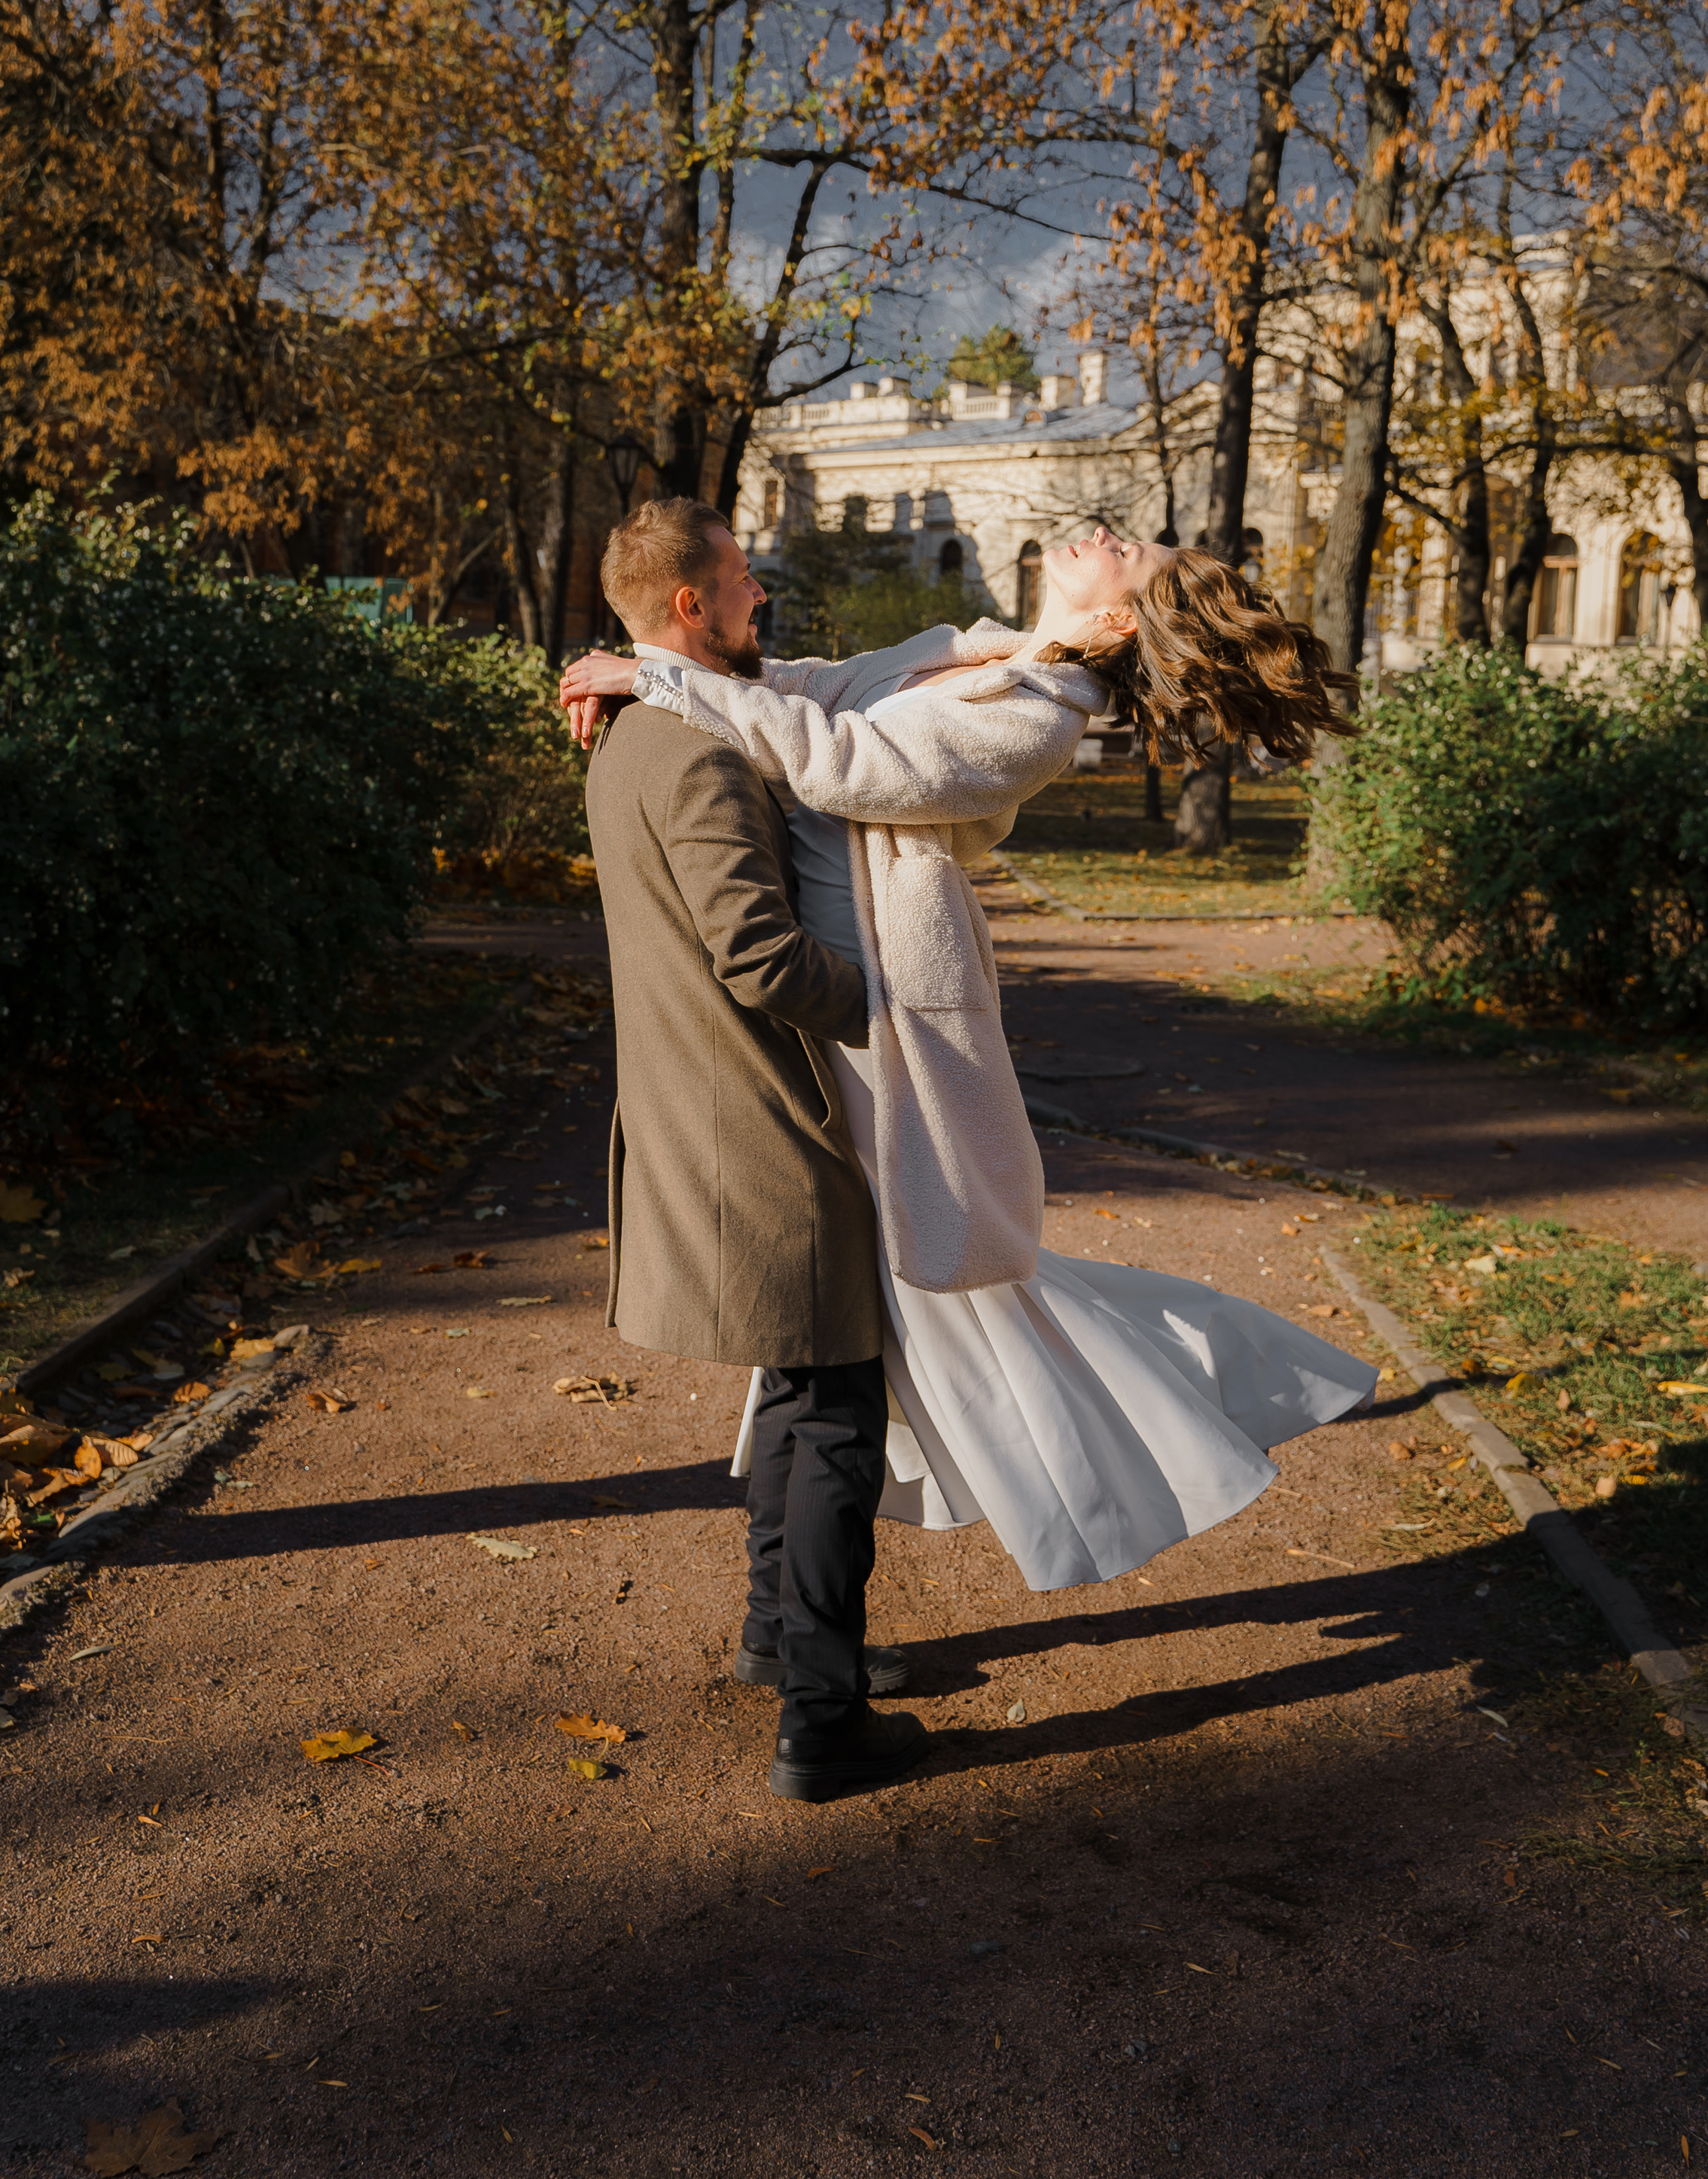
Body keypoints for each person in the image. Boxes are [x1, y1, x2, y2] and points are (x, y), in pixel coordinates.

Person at [562, 510, 1378, 1594]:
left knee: (909, 1328)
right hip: (839, 1030)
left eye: (1125, 547)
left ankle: (1130, 1461)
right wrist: (636, 662)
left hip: (883, 1039)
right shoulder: (1003, 663)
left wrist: (659, 682)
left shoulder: (1042, 714)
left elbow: (834, 754)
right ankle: (804, 1643)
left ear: (1120, 609)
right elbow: (821, 680)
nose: (1105, 531)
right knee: (854, 1344)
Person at [582, 497, 928, 1803]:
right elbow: (759, 956)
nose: (758, 599)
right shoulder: (700, 753)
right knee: (839, 1403)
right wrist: (894, 998)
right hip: (762, 1127)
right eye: (739, 583)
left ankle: (777, 1640)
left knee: (796, 1386)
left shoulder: (624, 735)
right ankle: (822, 1722)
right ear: (690, 608)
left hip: (699, 1112)